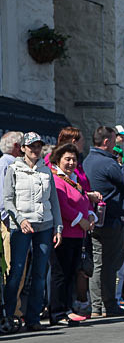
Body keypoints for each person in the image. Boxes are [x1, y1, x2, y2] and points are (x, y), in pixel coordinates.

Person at [2, 133, 63, 331]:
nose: (35, 150)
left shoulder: (46, 171)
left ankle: (33, 318)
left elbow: (54, 201)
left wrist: (58, 227)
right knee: (17, 271)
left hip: (44, 225)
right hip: (21, 227)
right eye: (31, 146)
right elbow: (7, 200)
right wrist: (20, 219)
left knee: (39, 272)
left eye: (38, 146)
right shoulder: (13, 168)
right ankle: (8, 316)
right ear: (23, 149)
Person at [83, 126, 124, 317]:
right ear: (106, 142)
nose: (115, 142)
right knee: (110, 264)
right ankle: (109, 305)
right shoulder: (108, 162)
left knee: (98, 263)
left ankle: (96, 306)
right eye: (113, 139)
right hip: (112, 220)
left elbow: (115, 178)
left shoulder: (89, 160)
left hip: (96, 218)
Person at [48, 143, 94, 326]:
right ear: (58, 160)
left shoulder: (74, 179)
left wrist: (90, 215)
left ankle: (67, 309)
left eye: (74, 159)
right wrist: (80, 220)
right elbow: (62, 206)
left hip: (77, 235)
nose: (71, 163)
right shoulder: (56, 179)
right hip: (64, 234)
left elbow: (84, 200)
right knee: (60, 274)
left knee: (71, 274)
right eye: (67, 159)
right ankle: (57, 312)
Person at [0, 131, 24, 271]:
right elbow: (2, 195)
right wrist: (8, 220)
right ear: (16, 146)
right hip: (10, 223)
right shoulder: (6, 164)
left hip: (16, 221)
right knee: (12, 266)